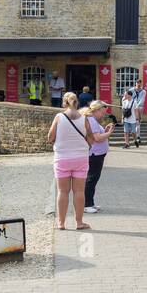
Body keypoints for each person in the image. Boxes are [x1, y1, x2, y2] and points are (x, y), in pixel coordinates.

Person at [46, 92, 93, 230]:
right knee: (79, 192)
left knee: (62, 191)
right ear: (76, 102)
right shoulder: (84, 118)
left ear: (64, 102)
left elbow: (50, 137)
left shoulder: (59, 117)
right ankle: (79, 222)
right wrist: (87, 145)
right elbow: (90, 136)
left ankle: (61, 223)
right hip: (81, 158)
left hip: (62, 158)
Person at [82, 100, 112, 213]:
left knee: (93, 178)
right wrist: (109, 133)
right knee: (91, 178)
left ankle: (90, 202)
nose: (104, 114)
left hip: (97, 153)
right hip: (95, 154)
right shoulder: (92, 120)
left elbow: (98, 134)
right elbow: (97, 138)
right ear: (97, 110)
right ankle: (87, 204)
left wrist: (105, 130)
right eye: (103, 112)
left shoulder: (93, 120)